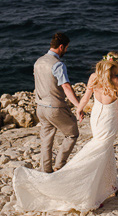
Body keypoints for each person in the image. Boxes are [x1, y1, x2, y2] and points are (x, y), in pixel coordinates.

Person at [14, 51, 118, 212]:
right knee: (98, 152)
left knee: (105, 149)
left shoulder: (93, 77)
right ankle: (87, 194)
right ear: (116, 66)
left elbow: (84, 98)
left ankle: (114, 185)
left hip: (96, 118)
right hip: (109, 119)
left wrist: (79, 110)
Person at [33, 32, 84, 174]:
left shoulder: (38, 61)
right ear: (61, 47)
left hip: (40, 107)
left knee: (46, 140)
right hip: (54, 107)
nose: (66, 51)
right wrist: (78, 106)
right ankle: (59, 166)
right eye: (66, 48)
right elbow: (66, 87)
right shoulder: (58, 65)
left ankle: (45, 170)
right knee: (72, 133)